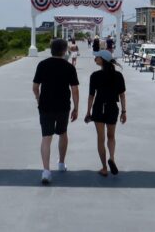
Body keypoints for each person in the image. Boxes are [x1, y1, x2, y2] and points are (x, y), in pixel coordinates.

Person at [33, 38, 79, 185]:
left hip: (45, 105)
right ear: (65, 50)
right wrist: (76, 108)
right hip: (63, 106)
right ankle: (61, 163)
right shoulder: (69, 67)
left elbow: (35, 87)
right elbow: (75, 90)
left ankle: (46, 171)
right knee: (63, 133)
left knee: (46, 137)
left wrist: (38, 99)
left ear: (51, 49)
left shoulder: (42, 65)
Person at [84, 50, 127, 177]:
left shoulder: (95, 75)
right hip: (112, 108)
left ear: (102, 59)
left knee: (100, 139)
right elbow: (122, 95)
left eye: (97, 57)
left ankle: (104, 168)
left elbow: (91, 96)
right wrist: (124, 111)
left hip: (98, 108)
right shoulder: (118, 76)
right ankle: (112, 158)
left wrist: (88, 112)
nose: (95, 58)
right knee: (111, 137)